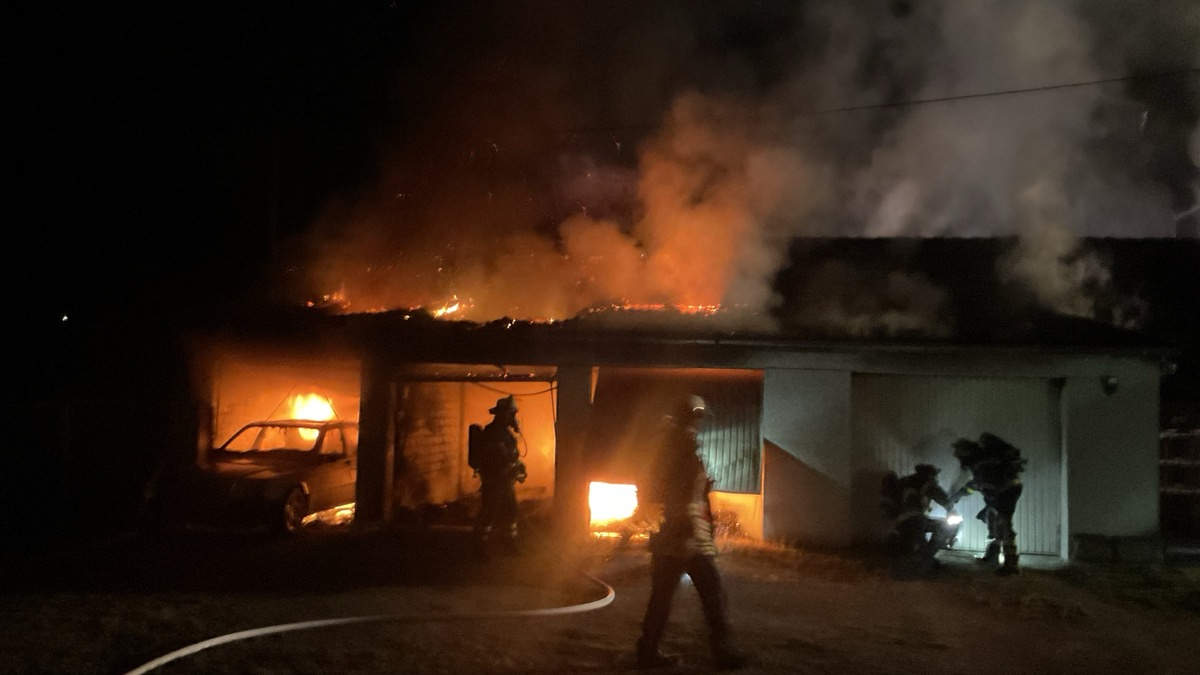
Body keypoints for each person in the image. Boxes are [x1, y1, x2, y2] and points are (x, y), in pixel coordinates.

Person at [634, 395, 747, 671]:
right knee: (711, 594)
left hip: (676, 537)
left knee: (664, 596)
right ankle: (722, 653)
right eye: (696, 420)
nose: (698, 426)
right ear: (689, 420)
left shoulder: (674, 448)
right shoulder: (680, 449)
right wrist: (687, 533)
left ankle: (647, 651)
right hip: (683, 538)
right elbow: (677, 496)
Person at [948, 433, 1027, 575]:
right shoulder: (981, 460)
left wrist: (957, 495)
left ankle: (1011, 564)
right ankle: (993, 555)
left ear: (966, 451)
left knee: (1004, 523)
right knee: (993, 521)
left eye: (958, 454)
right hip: (1003, 490)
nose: (958, 457)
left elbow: (978, 483)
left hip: (1006, 491)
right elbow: (980, 483)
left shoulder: (981, 461)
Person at [470, 395, 526, 556]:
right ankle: (478, 547)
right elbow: (497, 459)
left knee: (510, 511)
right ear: (501, 414)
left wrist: (519, 467)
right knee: (489, 512)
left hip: (506, 481)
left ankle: (508, 544)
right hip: (495, 481)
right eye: (511, 414)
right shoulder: (493, 433)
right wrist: (512, 469)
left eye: (513, 414)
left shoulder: (506, 434)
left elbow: (511, 456)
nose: (513, 418)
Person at [881, 464, 959, 576]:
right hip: (917, 518)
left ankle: (919, 559)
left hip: (900, 521)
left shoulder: (904, 481)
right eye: (934, 475)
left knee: (917, 540)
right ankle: (928, 558)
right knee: (944, 527)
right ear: (930, 475)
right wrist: (951, 510)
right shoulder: (926, 483)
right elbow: (942, 497)